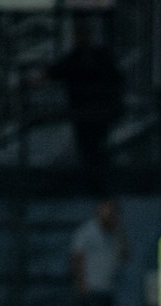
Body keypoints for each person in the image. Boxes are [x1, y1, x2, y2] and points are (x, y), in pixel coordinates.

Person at [43, 21, 123, 190]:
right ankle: (96, 187)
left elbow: (117, 79)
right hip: (91, 113)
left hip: (94, 113)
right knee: (92, 152)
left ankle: (98, 187)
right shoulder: (83, 57)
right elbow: (54, 72)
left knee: (93, 151)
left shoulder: (94, 57)